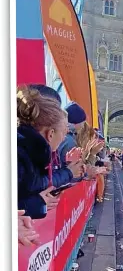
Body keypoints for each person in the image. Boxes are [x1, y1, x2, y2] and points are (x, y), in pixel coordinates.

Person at [17, 88, 77, 218]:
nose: (65, 136)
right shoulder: (19, 157)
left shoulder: (29, 153)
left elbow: (35, 183)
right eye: (63, 132)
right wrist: (37, 204)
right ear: (50, 134)